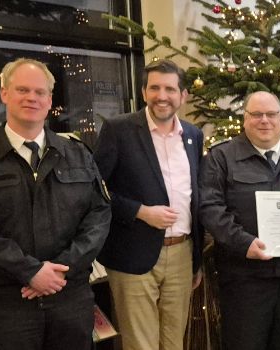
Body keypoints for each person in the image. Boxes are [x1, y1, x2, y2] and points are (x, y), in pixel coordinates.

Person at [0, 58, 110, 350]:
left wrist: (62, 268)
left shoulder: (77, 153)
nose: (32, 98)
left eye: (40, 92)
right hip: (9, 303)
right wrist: (31, 272)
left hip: (69, 296)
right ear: (4, 94)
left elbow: (98, 216)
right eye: (22, 90)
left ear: (50, 100)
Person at [200, 91, 280, 349]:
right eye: (256, 114)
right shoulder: (222, 157)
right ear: (244, 120)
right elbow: (210, 207)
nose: (264, 120)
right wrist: (243, 242)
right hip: (244, 279)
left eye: (271, 114)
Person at [94, 59, 205, 350]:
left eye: (170, 88)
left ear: (183, 95)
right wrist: (140, 212)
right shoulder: (118, 130)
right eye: (154, 87)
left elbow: (195, 195)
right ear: (144, 92)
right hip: (133, 254)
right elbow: (95, 191)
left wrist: (197, 262)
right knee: (141, 344)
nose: (162, 95)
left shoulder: (193, 135)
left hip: (182, 252)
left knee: (174, 341)